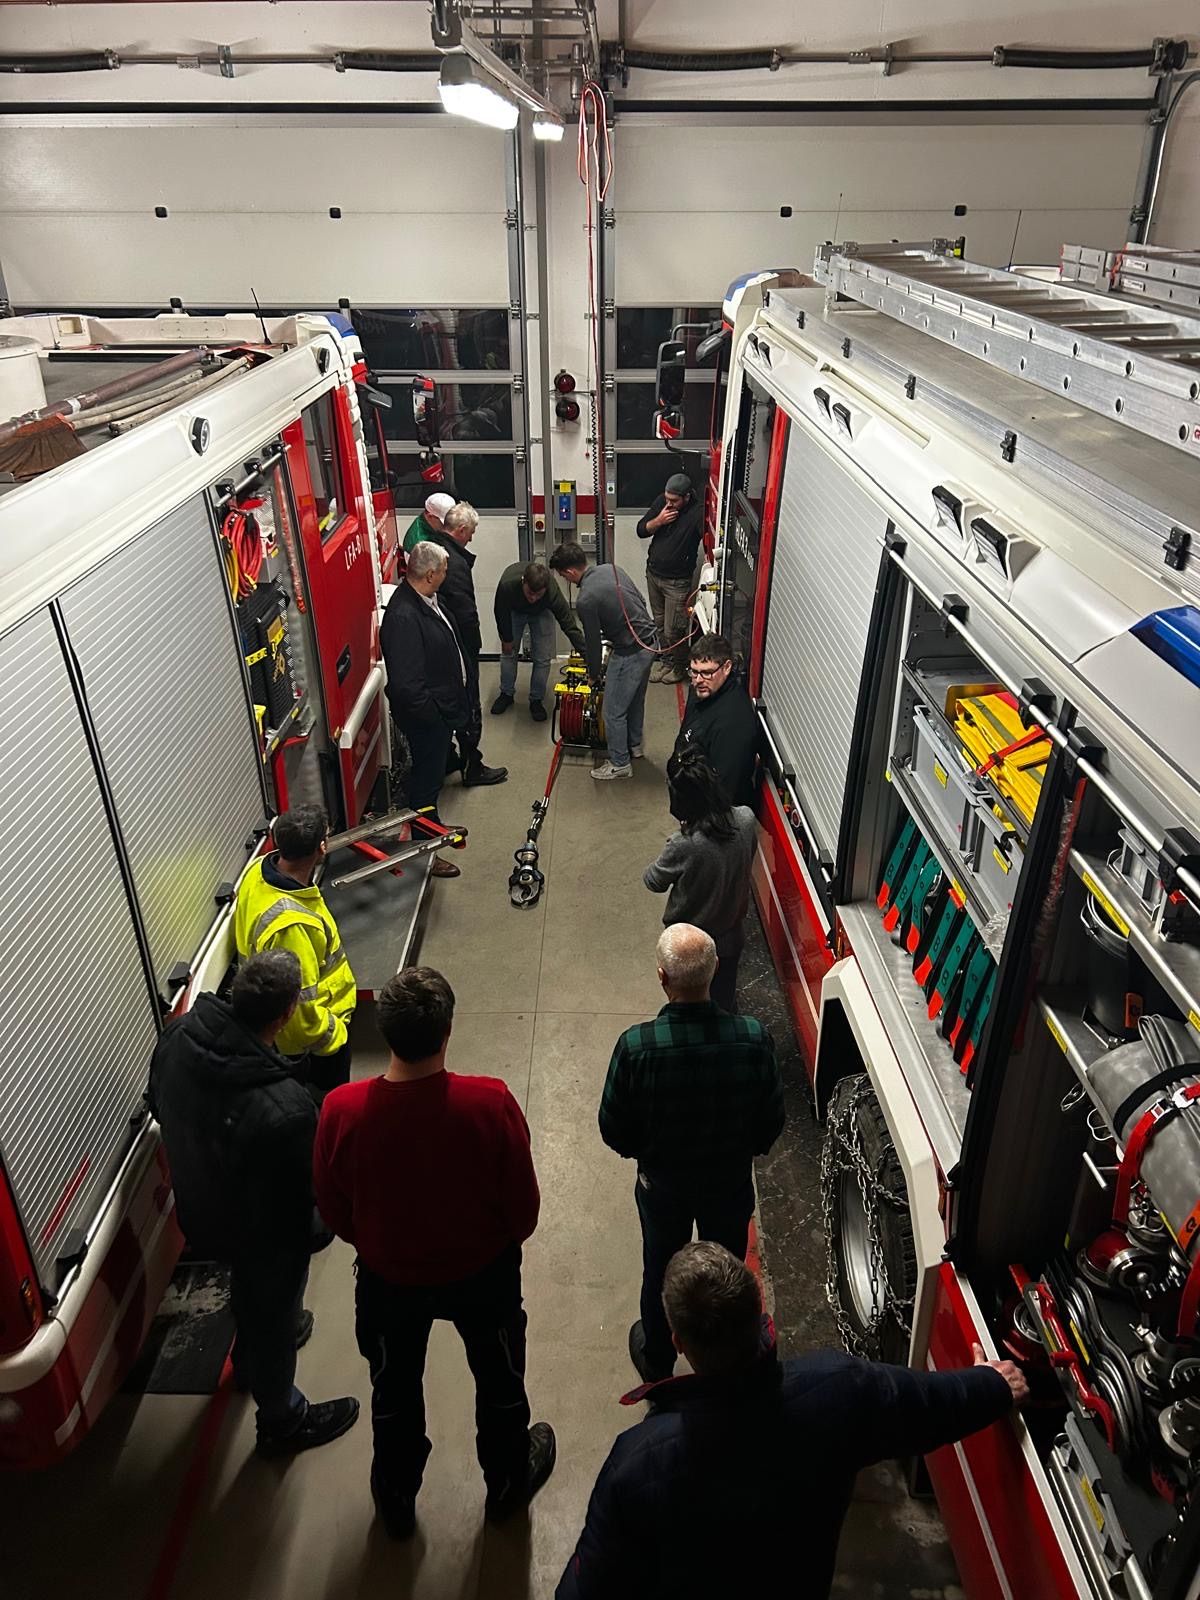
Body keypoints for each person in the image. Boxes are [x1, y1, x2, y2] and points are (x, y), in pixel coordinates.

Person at [557, 1241, 1028, 1600]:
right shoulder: (838, 1390)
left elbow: (587, 1589)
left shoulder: (637, 1464)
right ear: (758, 1313)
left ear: (679, 1341)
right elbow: (928, 1405)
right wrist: (992, 1385)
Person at [313, 966, 555, 1539]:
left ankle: (395, 1497)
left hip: (387, 1282)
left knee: (392, 1390)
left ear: (386, 1031)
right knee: (499, 1380)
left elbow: (333, 1207)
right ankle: (505, 1482)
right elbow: (523, 1210)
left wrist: (380, 1245)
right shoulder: (488, 1103)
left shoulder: (342, 1110)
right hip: (483, 1279)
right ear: (448, 1031)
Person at [147, 952, 360, 1457]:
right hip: (261, 1239)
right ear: (286, 1015)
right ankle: (283, 1419)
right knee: (273, 1311)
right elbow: (299, 1204)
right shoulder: (286, 1108)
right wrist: (323, 1227)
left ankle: (248, 1360)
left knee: (256, 1300)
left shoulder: (178, 1039)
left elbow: (159, 1104)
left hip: (200, 1212)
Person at [599, 925, 784, 1384]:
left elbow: (613, 1128)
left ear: (662, 977)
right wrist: (742, 1152)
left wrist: (647, 1154)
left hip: (664, 1189)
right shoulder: (753, 1039)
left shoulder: (636, 1047)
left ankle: (658, 1361)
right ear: (715, 969)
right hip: (729, 1186)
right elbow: (771, 1122)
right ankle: (732, 1361)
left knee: (660, 1270)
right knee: (727, 1276)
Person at [233, 804, 356, 1092]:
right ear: (322, 848)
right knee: (325, 1109)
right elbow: (300, 1012)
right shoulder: (292, 926)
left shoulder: (258, 870)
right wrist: (335, 1035)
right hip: (314, 1048)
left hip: (281, 1033)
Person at [380, 540, 471, 879]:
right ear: (431, 574)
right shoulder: (404, 616)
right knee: (425, 784)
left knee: (431, 783)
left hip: (440, 713)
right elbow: (407, 685)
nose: (447, 576)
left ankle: (432, 828)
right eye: (445, 571)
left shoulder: (428, 600)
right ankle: (426, 851)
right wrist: (435, 719)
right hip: (428, 721)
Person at [644, 749, 756, 1014]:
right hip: (730, 938)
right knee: (724, 1001)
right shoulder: (746, 819)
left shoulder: (684, 845)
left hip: (688, 946)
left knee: (688, 1007)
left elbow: (653, 881)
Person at [549, 541, 657, 782]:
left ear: (569, 572)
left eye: (562, 576)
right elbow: (638, 599)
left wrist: (594, 674)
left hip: (630, 652)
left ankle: (620, 764)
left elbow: (592, 644)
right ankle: (634, 746)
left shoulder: (586, 598)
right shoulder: (611, 569)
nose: (565, 580)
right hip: (650, 642)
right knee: (634, 701)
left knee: (613, 711)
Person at [426, 500, 507, 787]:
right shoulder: (454, 563)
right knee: (468, 703)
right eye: (470, 532)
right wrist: (473, 649)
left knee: (446, 702)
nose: (471, 538)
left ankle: (448, 757)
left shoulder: (434, 548)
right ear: (460, 530)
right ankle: (473, 766)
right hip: (459, 645)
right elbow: (464, 611)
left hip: (439, 646)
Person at [491, 559, 586, 723]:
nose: (533, 598)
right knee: (508, 653)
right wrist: (506, 638)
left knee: (542, 657)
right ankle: (506, 694)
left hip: (542, 613)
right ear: (523, 582)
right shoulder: (508, 585)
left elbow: (568, 623)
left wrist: (586, 653)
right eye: (530, 593)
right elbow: (500, 612)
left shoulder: (551, 591)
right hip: (514, 610)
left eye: (538, 594)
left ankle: (536, 699)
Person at [674, 633, 760, 809]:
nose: (698, 680)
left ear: (727, 667)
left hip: (712, 819)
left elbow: (723, 790)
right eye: (694, 671)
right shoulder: (702, 690)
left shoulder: (733, 724)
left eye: (707, 673)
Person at [636, 471, 704, 684]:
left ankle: (679, 666)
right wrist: (659, 520)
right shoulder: (662, 503)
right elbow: (641, 530)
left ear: (687, 497)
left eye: (674, 501)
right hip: (654, 574)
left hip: (677, 582)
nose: (669, 504)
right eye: (667, 499)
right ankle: (666, 661)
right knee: (658, 625)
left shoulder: (697, 513)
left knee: (674, 630)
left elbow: (711, 539)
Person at [402, 491, 455, 556]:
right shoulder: (419, 547)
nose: (449, 527)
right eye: (445, 523)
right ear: (430, 516)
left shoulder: (431, 526)